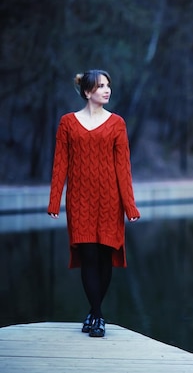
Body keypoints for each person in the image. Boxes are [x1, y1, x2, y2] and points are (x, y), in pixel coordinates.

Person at [47, 70, 140, 338]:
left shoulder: (117, 124)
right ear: (88, 92)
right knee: (88, 256)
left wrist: (130, 205)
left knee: (104, 256)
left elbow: (123, 168)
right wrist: (54, 201)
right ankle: (97, 315)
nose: (107, 90)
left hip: (110, 202)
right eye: (101, 86)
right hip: (79, 200)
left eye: (108, 85)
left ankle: (94, 313)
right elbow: (60, 164)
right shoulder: (68, 123)